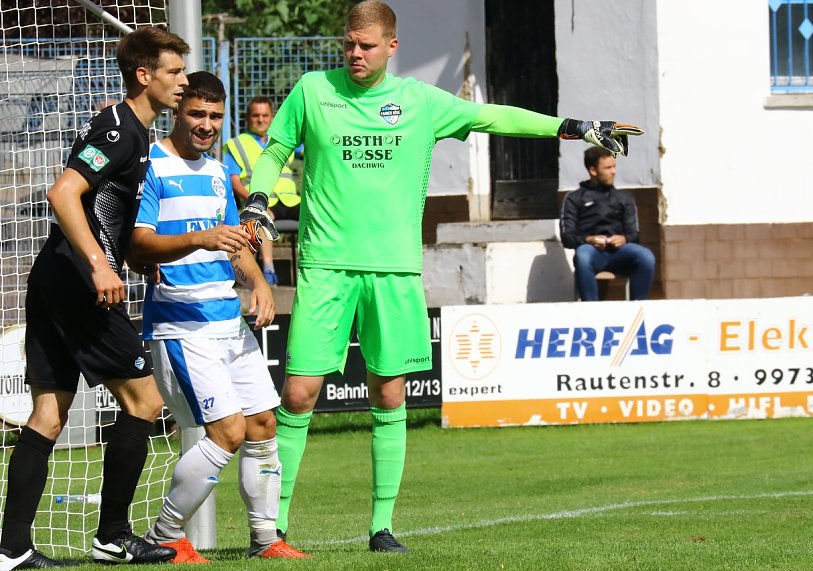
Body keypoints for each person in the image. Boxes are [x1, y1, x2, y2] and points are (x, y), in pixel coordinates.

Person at [236, 0, 643, 554]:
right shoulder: (313, 90)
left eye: (366, 46)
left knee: (389, 393)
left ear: (392, 47)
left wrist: (572, 128)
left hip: (395, 269)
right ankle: (273, 528)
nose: (355, 53)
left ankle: (381, 528)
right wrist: (259, 198)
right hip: (325, 263)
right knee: (300, 392)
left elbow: (494, 116)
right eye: (349, 43)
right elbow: (277, 150)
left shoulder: (420, 101)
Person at [0, 26, 189, 569]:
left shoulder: (132, 132)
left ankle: (11, 550)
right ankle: (112, 536)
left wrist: (129, 258)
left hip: (56, 277)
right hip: (78, 283)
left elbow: (102, 211)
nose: (182, 81)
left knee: (48, 414)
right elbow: (63, 193)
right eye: (174, 72)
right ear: (144, 75)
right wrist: (100, 264)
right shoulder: (120, 129)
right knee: (145, 402)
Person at [130, 71, 308, 562]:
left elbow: (234, 240)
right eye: (196, 114)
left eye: (214, 116)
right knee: (227, 431)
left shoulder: (216, 171)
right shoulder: (151, 165)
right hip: (181, 324)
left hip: (229, 320)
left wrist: (257, 283)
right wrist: (199, 238)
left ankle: (265, 540)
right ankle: (166, 534)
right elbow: (138, 244)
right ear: (176, 111)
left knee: (264, 424)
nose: (206, 124)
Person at [560, 146, 656, 301]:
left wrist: (624, 238)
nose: (613, 172)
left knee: (646, 256)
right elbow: (567, 237)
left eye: (614, 166)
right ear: (593, 170)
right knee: (582, 255)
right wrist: (588, 239)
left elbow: (635, 234)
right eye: (608, 168)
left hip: (620, 253)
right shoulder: (573, 199)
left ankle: (638, 308)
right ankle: (591, 309)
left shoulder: (624, 198)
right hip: (591, 252)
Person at [223, 96, 302, 286]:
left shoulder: (284, 140)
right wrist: (254, 202)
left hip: (290, 201)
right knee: (262, 216)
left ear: (272, 118)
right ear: (248, 118)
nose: (261, 120)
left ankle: (310, 269)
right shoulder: (237, 144)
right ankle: (269, 269)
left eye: (265, 115)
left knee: (315, 215)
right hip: (261, 202)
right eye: (256, 115)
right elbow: (234, 181)